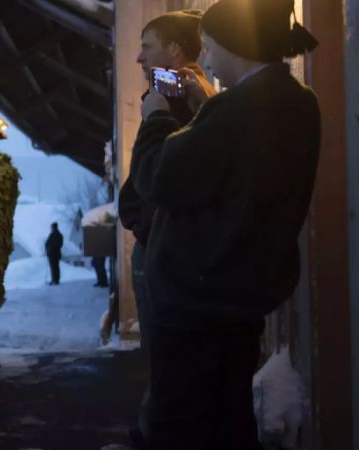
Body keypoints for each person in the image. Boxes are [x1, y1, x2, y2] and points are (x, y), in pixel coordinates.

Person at [131, 0, 320, 448]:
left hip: (198, 303)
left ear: (236, 46)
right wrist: (208, 103)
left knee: (185, 426)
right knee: (226, 421)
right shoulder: (298, 101)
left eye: (211, 47)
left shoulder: (241, 107)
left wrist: (155, 115)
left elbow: (159, 177)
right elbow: (235, 169)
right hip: (241, 297)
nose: (206, 60)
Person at [117, 10, 211, 447]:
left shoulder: (177, 102)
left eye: (148, 47)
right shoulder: (179, 98)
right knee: (165, 352)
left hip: (166, 248)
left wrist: (145, 223)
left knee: (167, 350)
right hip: (160, 241)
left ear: (174, 52)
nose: (138, 58)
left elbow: (164, 177)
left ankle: (159, 433)